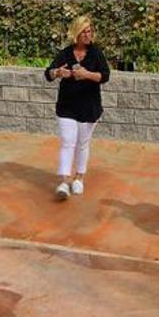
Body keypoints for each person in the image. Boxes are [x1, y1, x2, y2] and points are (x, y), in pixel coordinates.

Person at [44, 15, 110, 201]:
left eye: (90, 31)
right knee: (67, 141)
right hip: (67, 106)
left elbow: (105, 76)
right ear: (77, 33)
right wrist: (58, 72)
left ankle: (79, 177)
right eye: (85, 32)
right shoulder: (65, 53)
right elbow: (48, 73)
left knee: (82, 143)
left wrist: (87, 74)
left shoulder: (96, 53)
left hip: (89, 106)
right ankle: (64, 181)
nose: (89, 35)